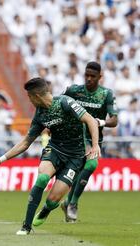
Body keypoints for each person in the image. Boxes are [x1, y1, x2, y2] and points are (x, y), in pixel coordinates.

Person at [0, 77, 101, 235]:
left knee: (52, 201)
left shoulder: (65, 103)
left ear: (36, 96)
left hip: (75, 158)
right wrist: (1, 159)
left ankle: (46, 209)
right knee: (43, 178)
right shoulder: (40, 114)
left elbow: (91, 121)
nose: (29, 101)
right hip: (55, 150)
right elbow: (25, 143)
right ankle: (26, 226)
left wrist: (94, 145)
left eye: (29, 97)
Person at [61, 61, 118, 222]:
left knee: (84, 169)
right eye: (86, 75)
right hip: (76, 137)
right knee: (90, 165)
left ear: (100, 77)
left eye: (93, 76)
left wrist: (102, 122)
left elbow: (114, 120)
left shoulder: (106, 94)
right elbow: (58, 104)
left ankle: (68, 203)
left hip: (95, 138)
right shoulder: (74, 90)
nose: (89, 79)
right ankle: (73, 204)